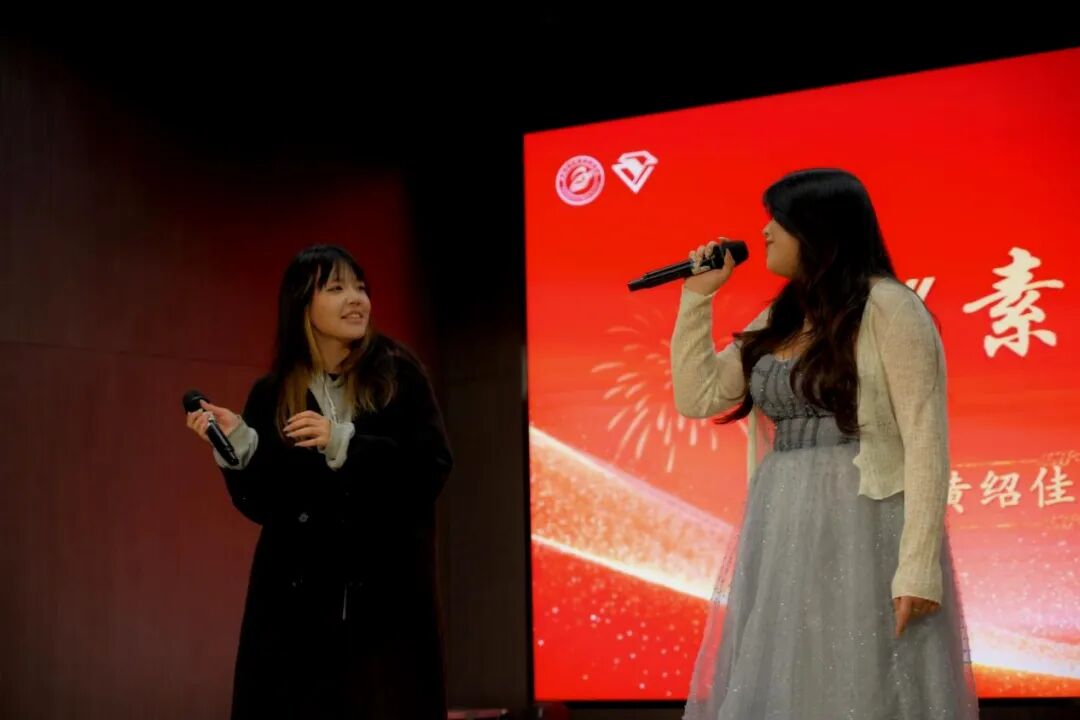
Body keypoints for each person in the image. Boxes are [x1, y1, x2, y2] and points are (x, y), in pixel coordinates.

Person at [673, 169, 978, 719]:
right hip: (781, 522)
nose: (765, 232)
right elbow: (699, 395)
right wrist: (697, 298)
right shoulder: (782, 315)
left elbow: (925, 440)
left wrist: (917, 567)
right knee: (788, 675)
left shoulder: (889, 307)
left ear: (818, 230)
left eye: (779, 220)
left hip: (862, 522)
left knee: (861, 677)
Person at [185, 245, 452, 718]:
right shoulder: (273, 392)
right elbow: (264, 504)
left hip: (384, 615)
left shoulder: (397, 375)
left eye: (360, 288)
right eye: (336, 288)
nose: (356, 299)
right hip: (294, 619)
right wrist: (241, 444)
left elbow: (430, 467)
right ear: (302, 304)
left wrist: (344, 442)